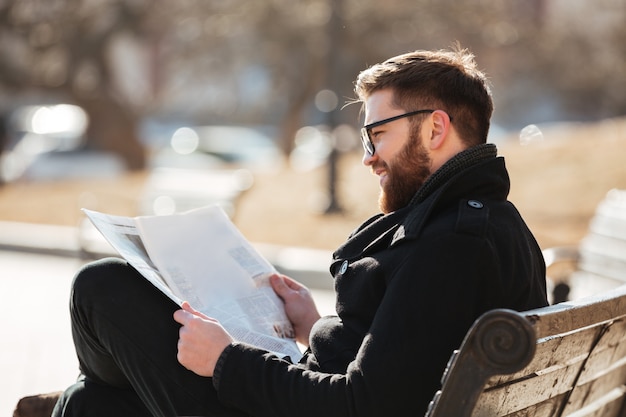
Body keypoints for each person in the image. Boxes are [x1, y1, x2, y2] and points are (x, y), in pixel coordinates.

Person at [52, 46, 548, 417]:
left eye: (378, 134)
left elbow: (366, 405)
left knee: (101, 289)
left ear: (436, 129)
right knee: (90, 404)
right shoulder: (493, 226)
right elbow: (405, 357)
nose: (368, 156)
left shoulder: (450, 247)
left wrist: (227, 360)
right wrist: (315, 327)